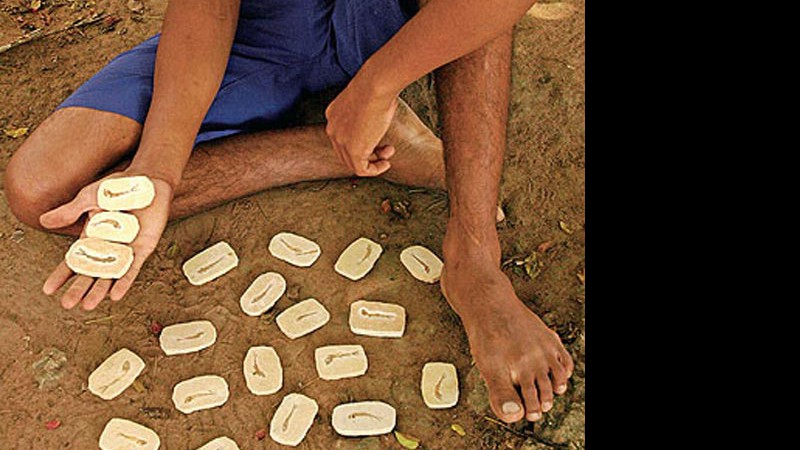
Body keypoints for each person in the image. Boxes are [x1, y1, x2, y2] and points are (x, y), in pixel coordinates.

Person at [4, 0, 573, 425]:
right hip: (264, 30)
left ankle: (474, 258)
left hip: (399, 18)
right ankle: (339, 147)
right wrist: (157, 170)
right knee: (47, 195)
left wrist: (379, 83)